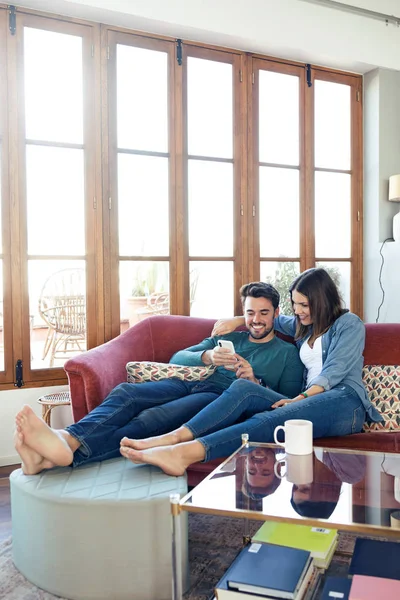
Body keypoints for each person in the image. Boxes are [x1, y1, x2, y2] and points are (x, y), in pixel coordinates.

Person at [14, 282, 304, 475]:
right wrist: (207, 357)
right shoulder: (231, 337)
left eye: (264, 313)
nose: (256, 320)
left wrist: (255, 381)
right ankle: (62, 441)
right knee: (128, 392)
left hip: (217, 400)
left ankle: (58, 454)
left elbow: (284, 402)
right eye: (250, 312)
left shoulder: (287, 353)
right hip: (191, 382)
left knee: (152, 419)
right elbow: (178, 359)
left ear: (276, 314)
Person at [118, 268, 383, 476]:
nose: (299, 311)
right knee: (243, 387)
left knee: (267, 421)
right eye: (295, 304)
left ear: (322, 301)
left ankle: (184, 453)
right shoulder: (304, 325)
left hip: (344, 403)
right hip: (307, 401)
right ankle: (173, 438)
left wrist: (299, 399)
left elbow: (334, 371)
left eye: (304, 305)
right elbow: (271, 318)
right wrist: (238, 319)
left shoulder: (349, 324)